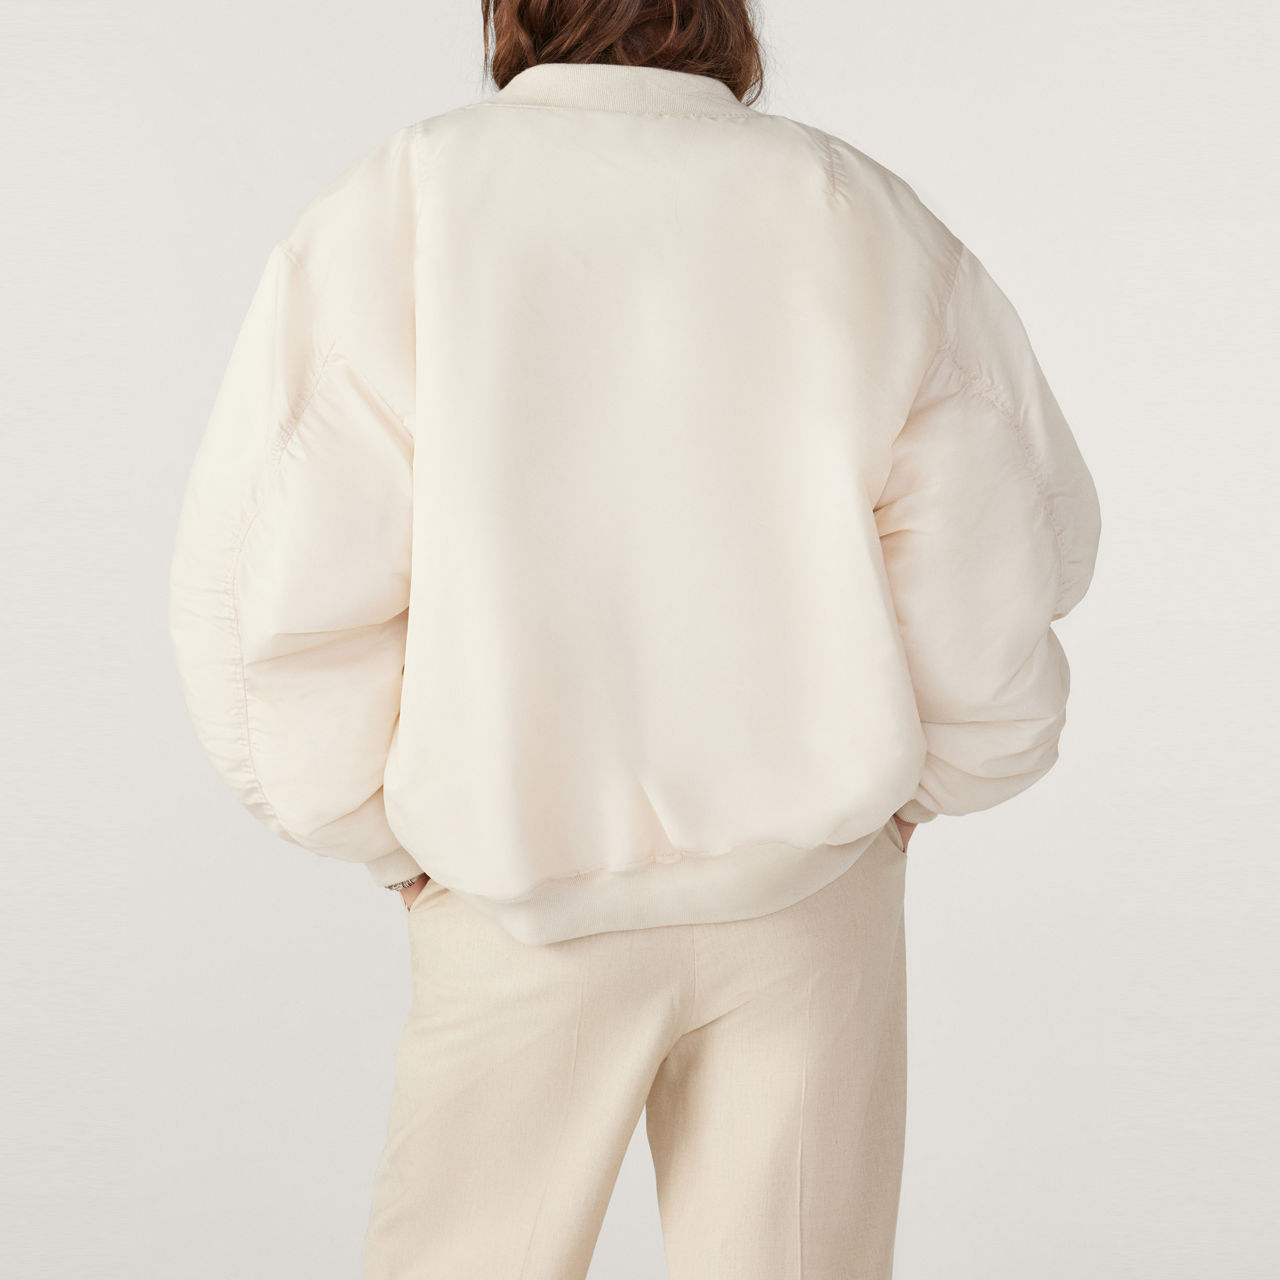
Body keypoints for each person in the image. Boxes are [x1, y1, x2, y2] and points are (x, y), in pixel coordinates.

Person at [167, 3, 1102, 1277]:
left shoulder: (410, 202)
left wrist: (378, 826)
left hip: (512, 895)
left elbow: (261, 577)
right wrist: (928, 779)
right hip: (809, 899)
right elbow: (1001, 533)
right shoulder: (856, 211)